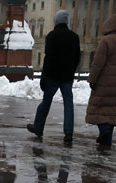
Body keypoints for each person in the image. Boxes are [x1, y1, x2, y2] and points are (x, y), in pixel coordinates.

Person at [27, 10, 80, 143]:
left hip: (53, 75)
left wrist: (44, 76)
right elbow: (77, 58)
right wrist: (71, 71)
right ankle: (68, 132)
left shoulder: (52, 36)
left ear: (56, 21)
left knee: (46, 101)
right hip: (67, 76)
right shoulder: (74, 37)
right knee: (68, 103)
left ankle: (38, 127)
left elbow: (48, 57)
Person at [86, 15, 116, 147]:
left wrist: (92, 79)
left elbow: (98, 63)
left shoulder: (105, 41)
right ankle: (106, 142)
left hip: (105, 81)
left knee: (98, 108)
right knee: (112, 112)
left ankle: (104, 130)